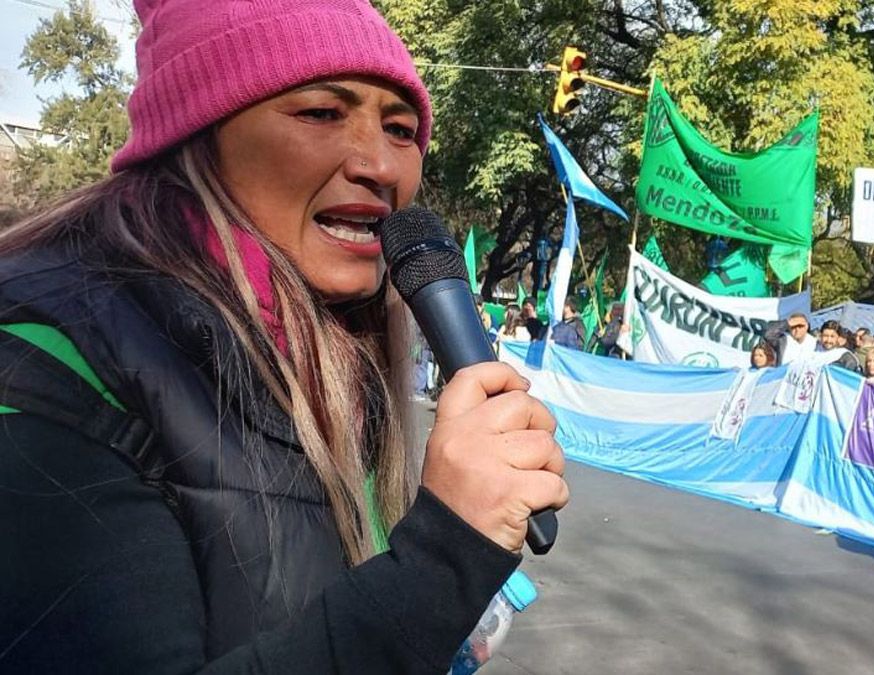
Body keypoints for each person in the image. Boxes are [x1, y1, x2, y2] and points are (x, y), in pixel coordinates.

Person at [0, 1, 569, 671]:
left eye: (400, 127)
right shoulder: (46, 359)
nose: (381, 165)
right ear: (196, 135)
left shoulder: (333, 347)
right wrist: (441, 563)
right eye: (322, 113)